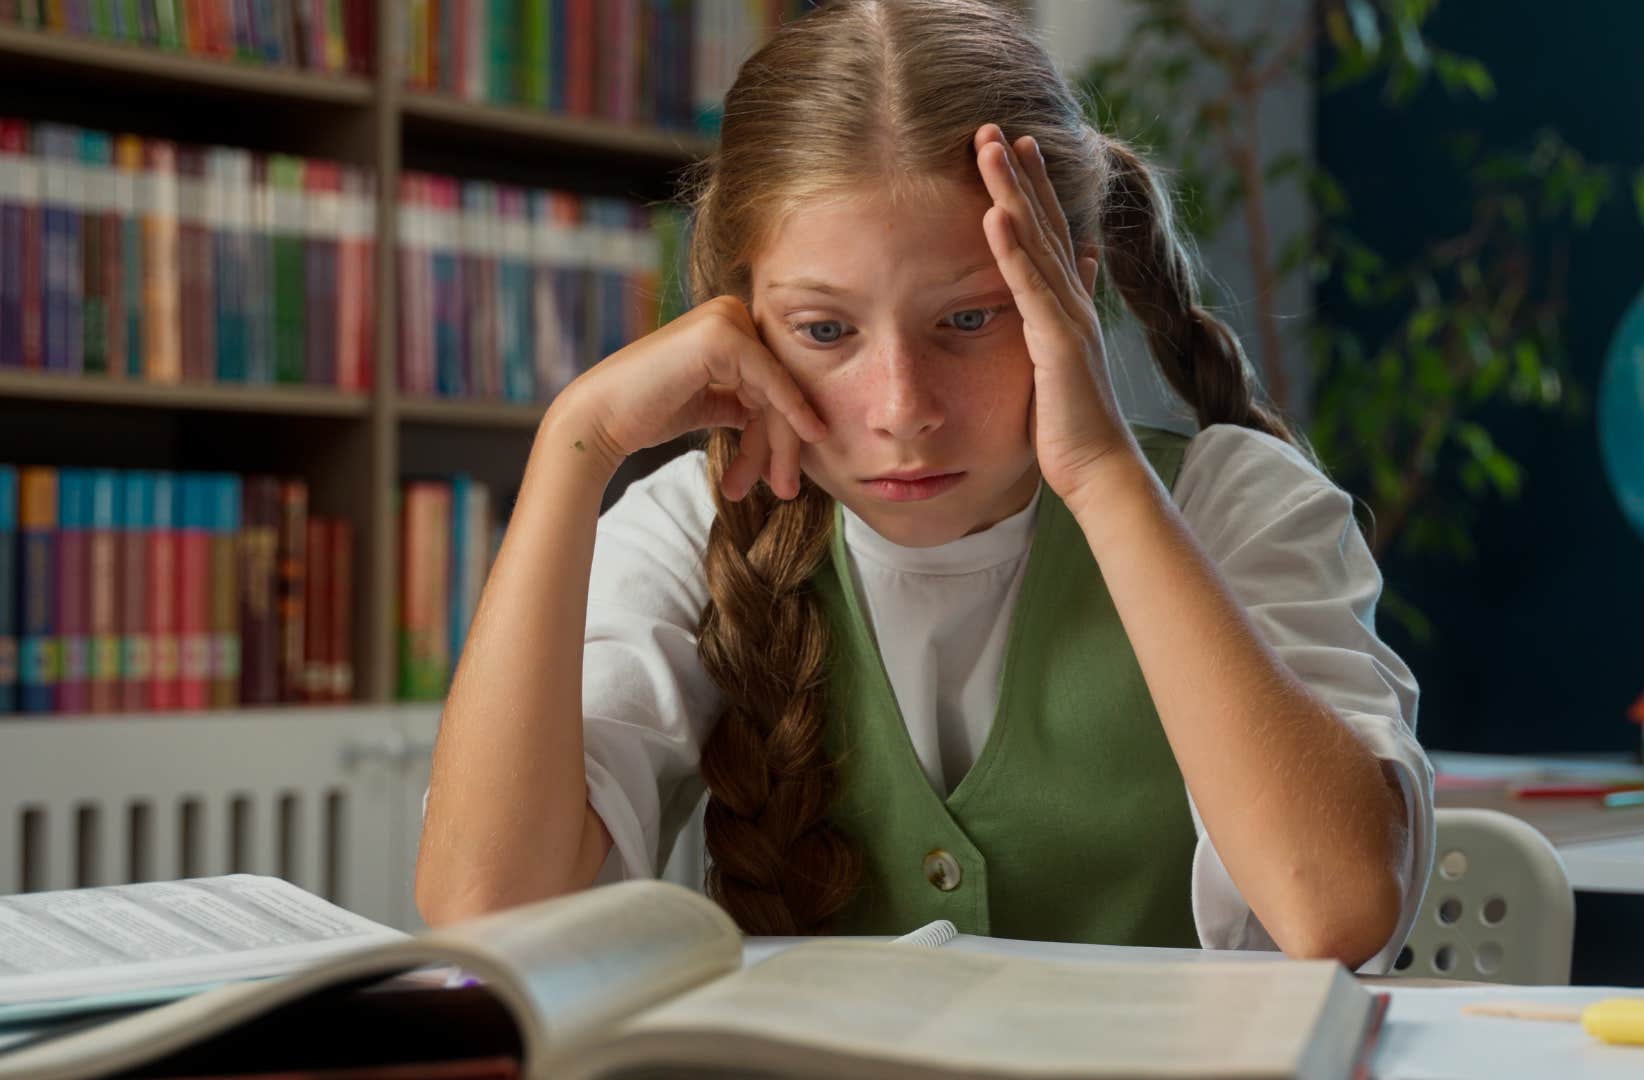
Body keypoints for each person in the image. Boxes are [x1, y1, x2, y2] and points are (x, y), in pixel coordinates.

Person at [414, 0, 1432, 971]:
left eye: (969, 320)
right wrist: (576, 444)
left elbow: (1335, 908)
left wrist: (1106, 475)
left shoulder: (1235, 505)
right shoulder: (695, 522)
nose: (903, 407)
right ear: (740, 321)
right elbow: (490, 912)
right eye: (825, 332)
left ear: (1069, 294)